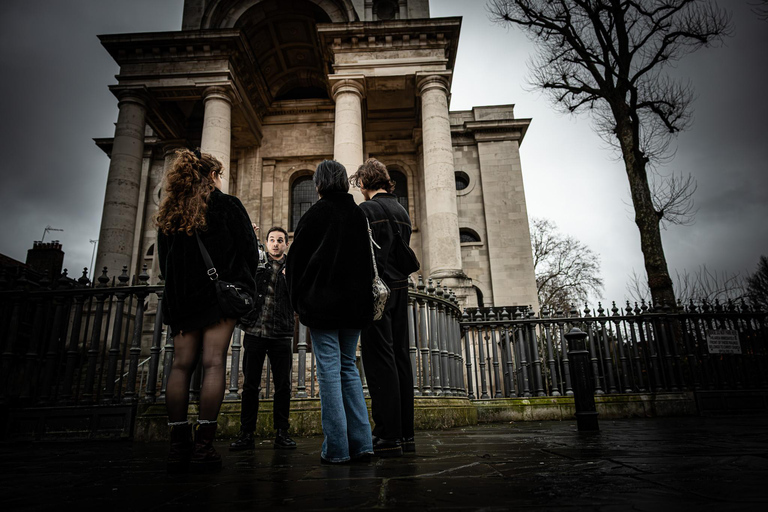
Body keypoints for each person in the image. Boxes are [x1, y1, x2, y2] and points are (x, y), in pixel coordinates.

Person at [157, 148, 258, 473]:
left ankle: (177, 446)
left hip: (183, 298)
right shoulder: (228, 205)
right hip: (220, 295)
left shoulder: (170, 211)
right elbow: (249, 251)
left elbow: (164, 262)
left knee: (180, 366)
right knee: (214, 363)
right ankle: (203, 446)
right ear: (212, 175)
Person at [286, 160, 375, 464]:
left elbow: (295, 265)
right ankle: (363, 444)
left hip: (323, 308)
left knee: (328, 372)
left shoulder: (314, 215)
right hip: (355, 309)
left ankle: (336, 449)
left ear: (319, 184)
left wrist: (299, 302)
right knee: (349, 369)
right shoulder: (358, 215)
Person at [349, 158, 415, 457]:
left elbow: (361, 256)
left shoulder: (366, 210)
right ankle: (405, 433)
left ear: (364, 182)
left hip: (378, 293)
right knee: (401, 357)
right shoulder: (401, 210)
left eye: (359, 183)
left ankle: (387, 435)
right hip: (402, 290)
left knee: (379, 362)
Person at [230, 226, 297, 451]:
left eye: (280, 240)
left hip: (281, 334)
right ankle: (246, 434)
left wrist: (291, 279)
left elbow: (299, 296)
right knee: (250, 386)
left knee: (283, 387)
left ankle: (282, 433)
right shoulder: (257, 263)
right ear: (266, 243)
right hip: (255, 331)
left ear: (286, 244)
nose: (276, 243)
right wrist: (247, 235)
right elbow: (239, 264)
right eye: (272, 240)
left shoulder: (293, 267)